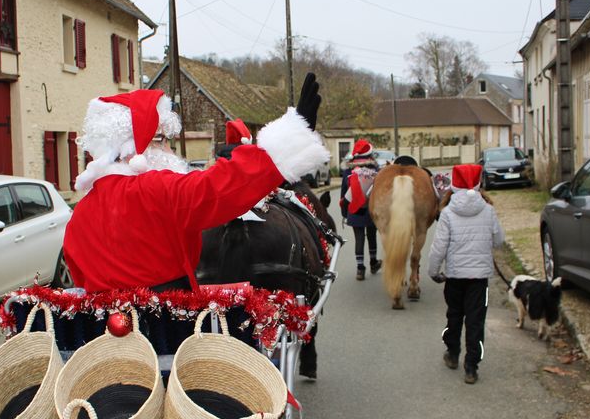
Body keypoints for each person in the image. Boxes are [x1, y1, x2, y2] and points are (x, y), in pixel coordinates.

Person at [63, 76, 329, 353]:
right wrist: (289, 137)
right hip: (169, 338)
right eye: (163, 140)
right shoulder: (154, 189)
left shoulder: (80, 213)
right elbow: (220, 188)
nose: (170, 151)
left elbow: (80, 279)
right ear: (136, 148)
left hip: (107, 346)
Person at [427, 163, 505, 384]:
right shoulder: (488, 210)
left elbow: (438, 247)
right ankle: (471, 367)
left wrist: (434, 271)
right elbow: (499, 240)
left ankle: (452, 354)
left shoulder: (448, 213)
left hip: (454, 277)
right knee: (475, 321)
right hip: (479, 279)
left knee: (454, 315)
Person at [339, 139, 381, 281]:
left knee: (359, 238)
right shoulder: (376, 171)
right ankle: (374, 262)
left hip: (354, 209)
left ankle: (360, 269)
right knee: (371, 235)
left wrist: (344, 213)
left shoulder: (348, 172)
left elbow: (344, 195)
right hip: (371, 209)